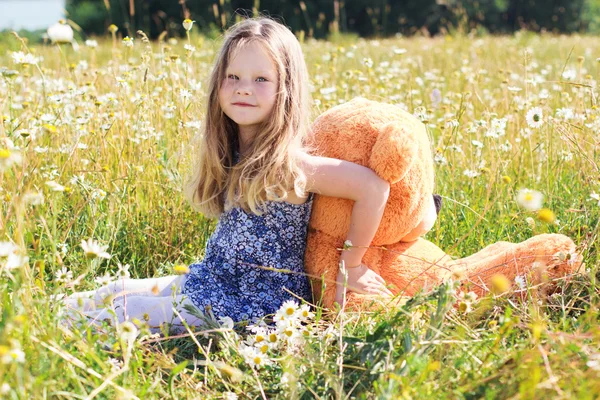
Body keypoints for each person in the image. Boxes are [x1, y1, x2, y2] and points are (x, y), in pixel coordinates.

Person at [62, 17, 392, 332]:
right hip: (210, 279)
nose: (243, 89)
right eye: (233, 77)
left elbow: (373, 187)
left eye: (261, 80)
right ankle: (40, 325)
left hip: (255, 304)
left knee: (120, 312)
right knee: (109, 292)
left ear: (286, 90)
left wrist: (352, 264)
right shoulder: (232, 151)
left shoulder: (291, 165)